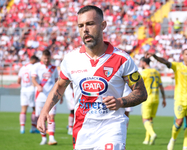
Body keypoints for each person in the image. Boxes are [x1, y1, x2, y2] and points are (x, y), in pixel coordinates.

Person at [37, 5, 147, 150]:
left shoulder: (122, 59)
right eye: (80, 25)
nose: (85, 29)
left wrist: (120, 101)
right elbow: (59, 86)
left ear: (103, 25)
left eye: (90, 24)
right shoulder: (71, 59)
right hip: (83, 130)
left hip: (112, 127)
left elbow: (141, 92)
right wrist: (45, 111)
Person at [146, 48, 187, 150]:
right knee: (179, 122)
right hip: (180, 100)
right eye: (186, 54)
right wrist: (154, 56)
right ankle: (173, 139)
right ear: (182, 56)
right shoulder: (177, 66)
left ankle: (185, 147)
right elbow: (165, 62)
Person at [32, 50, 63, 145]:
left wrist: (60, 95)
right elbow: (33, 79)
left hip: (51, 97)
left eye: (48, 58)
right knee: (40, 117)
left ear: (50, 58)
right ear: (42, 57)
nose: (46, 60)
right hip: (40, 96)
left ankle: (52, 138)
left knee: (52, 116)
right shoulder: (36, 66)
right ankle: (43, 138)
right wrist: (37, 85)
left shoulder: (54, 68)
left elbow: (57, 82)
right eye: (44, 58)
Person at [140, 57, 166, 145]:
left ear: (144, 63)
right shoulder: (156, 72)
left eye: (140, 63)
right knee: (150, 119)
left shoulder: (143, 73)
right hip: (156, 98)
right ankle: (147, 139)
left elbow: (138, 86)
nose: (140, 64)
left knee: (144, 119)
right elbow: (161, 86)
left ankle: (152, 134)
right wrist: (164, 98)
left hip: (147, 99)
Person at [18, 55, 40, 134]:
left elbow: (18, 80)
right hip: (31, 89)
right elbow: (35, 78)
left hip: (23, 89)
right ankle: (33, 128)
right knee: (34, 109)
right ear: (34, 60)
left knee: (23, 110)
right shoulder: (33, 67)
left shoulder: (22, 68)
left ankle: (22, 129)